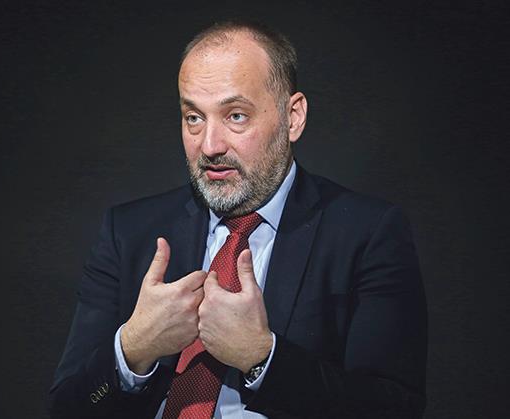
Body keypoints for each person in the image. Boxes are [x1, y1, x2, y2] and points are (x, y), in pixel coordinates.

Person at [49, 20, 427, 419]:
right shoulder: (128, 232)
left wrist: (262, 358)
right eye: (194, 118)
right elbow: (65, 408)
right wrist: (134, 349)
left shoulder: (367, 233)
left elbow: (393, 408)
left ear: (293, 117)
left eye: (236, 116)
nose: (210, 146)